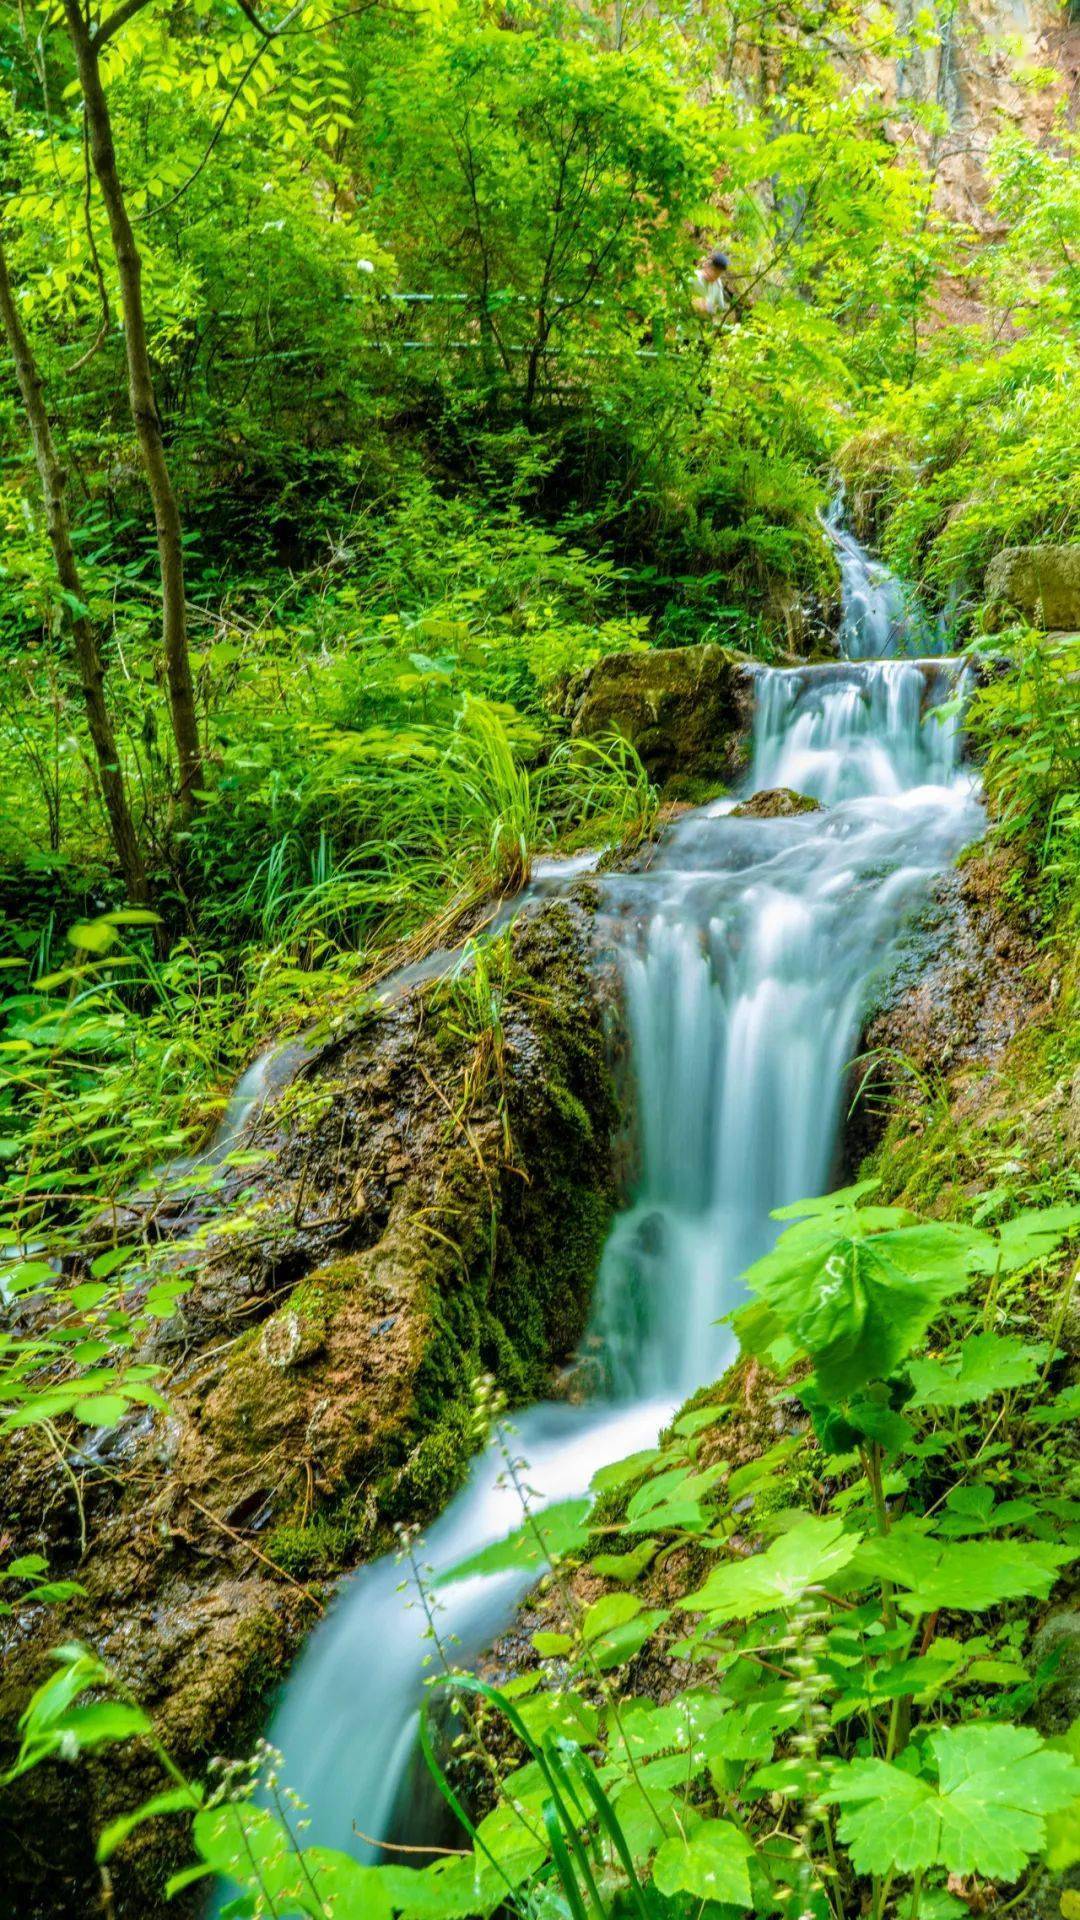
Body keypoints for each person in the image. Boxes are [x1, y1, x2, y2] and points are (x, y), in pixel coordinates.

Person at [693, 248, 730, 318]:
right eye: (714, 271)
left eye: (718, 274)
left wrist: (709, 308)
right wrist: (694, 302)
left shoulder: (718, 284)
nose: (714, 276)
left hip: (704, 325)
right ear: (706, 265)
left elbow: (721, 307)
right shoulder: (693, 277)